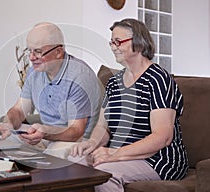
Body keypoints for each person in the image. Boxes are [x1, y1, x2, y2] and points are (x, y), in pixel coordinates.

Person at [69, 18, 189, 192]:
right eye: (111, 42)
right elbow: (104, 126)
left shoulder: (158, 79)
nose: (113, 46)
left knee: (103, 174)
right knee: (72, 161)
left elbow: (163, 137)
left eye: (118, 41)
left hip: (159, 160)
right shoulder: (113, 82)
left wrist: (113, 154)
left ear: (139, 44)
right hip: (123, 154)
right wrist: (92, 143)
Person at [0, 22, 103, 155]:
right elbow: (19, 109)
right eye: (30, 51)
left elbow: (75, 131)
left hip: (76, 142)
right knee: (4, 142)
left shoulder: (80, 76)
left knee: (56, 152)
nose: (32, 58)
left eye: (38, 52)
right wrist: (9, 124)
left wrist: (45, 132)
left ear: (58, 52)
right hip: (46, 137)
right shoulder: (34, 71)